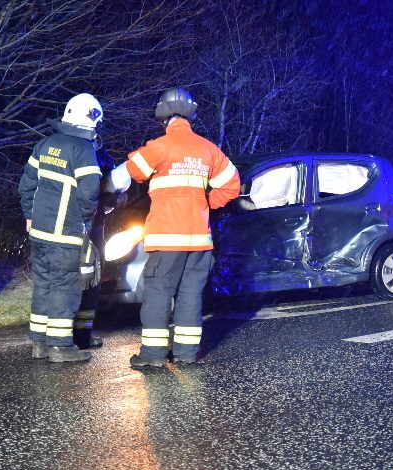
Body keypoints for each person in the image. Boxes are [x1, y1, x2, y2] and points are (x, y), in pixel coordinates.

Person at [124, 87, 240, 368]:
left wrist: (148, 148)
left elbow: (134, 169)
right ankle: (187, 354)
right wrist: (205, 201)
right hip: (199, 241)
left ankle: (152, 355)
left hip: (167, 239)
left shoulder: (161, 146)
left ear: (163, 116)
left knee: (158, 294)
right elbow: (232, 186)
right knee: (190, 296)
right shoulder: (208, 149)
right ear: (191, 115)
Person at [18, 93, 103, 362]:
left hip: (39, 233)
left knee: (43, 285)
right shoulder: (84, 151)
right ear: (91, 119)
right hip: (66, 233)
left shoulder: (44, 145)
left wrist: (29, 215)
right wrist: (86, 223)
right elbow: (89, 193)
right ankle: (60, 345)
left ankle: (40, 344)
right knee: (65, 287)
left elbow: (27, 185)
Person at [72, 145, 128, 350]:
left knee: (92, 281)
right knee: (72, 279)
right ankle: (64, 336)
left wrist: (116, 197)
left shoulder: (102, 153)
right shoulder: (74, 149)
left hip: (95, 223)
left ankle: (83, 335)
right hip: (73, 223)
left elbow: (112, 186)